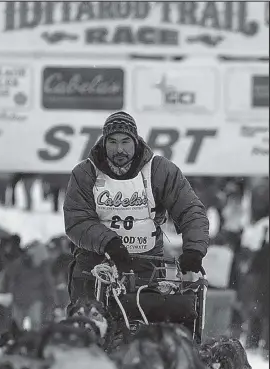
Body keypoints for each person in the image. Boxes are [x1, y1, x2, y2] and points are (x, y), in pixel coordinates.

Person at [63, 111, 209, 306]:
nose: (119, 149)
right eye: (112, 142)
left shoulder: (159, 171)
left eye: (125, 141)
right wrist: (110, 243)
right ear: (104, 142)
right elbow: (77, 220)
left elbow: (191, 212)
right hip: (94, 266)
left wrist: (194, 250)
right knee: (87, 327)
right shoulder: (85, 173)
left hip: (146, 268)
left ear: (136, 142)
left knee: (146, 326)